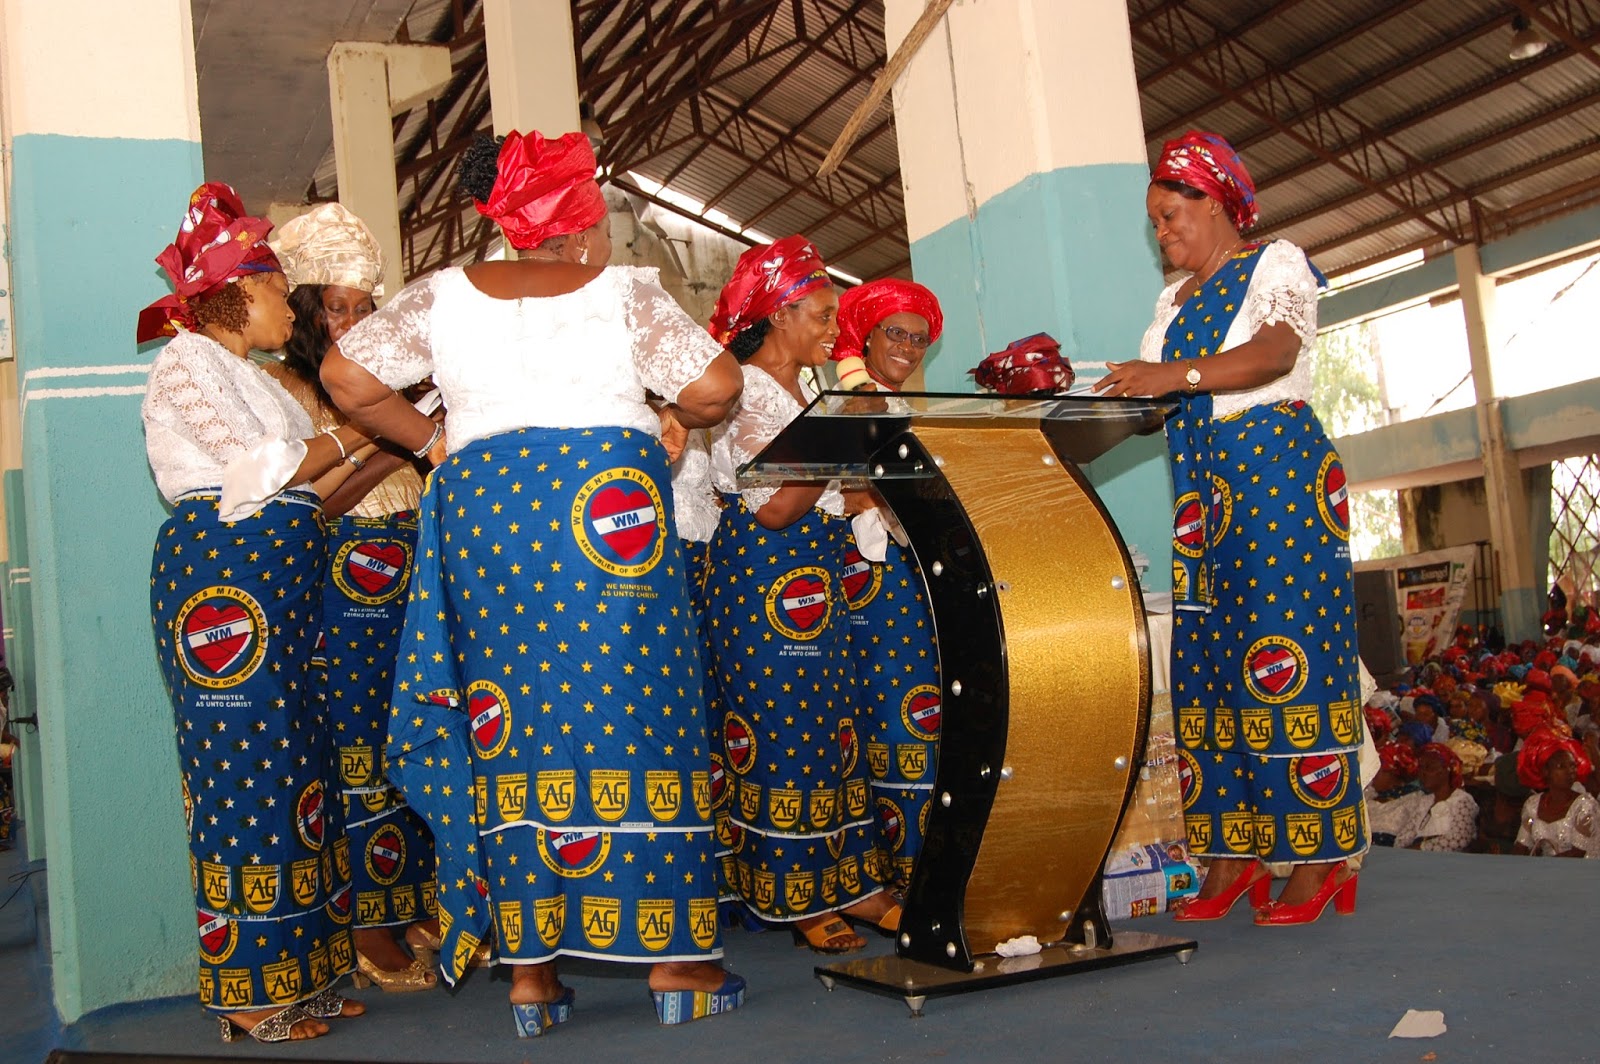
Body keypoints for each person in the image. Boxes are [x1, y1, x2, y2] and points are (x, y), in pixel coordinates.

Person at [320, 130, 745, 1034]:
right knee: (641, 707)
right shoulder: (622, 293)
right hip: (603, 512)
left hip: (488, 516)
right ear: (586, 227)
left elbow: (345, 377)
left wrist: (433, 442)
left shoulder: (441, 294)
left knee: (508, 719)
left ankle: (531, 975)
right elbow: (716, 387)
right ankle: (678, 961)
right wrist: (671, 416)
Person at [1096, 130, 1366, 925]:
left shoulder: (1274, 265)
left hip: (1277, 478)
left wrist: (1169, 376)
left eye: (1171, 215)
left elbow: (1273, 355)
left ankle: (1320, 855)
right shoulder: (1172, 305)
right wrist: (1078, 412)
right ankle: (1233, 850)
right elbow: (1156, 402)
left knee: (1288, 655)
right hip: (1199, 493)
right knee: (1209, 666)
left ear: (1214, 204)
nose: (1161, 233)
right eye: (1155, 221)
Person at [139, 183, 371, 1042]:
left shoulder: (252, 376)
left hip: (283, 576)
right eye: (279, 289)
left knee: (301, 767)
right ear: (238, 290)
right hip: (225, 583)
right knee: (243, 769)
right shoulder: (187, 361)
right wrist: (363, 430)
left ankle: (302, 973)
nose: (290, 307)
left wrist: (386, 431)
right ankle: (247, 989)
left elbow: (314, 479)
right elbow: (260, 469)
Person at [702, 236, 901, 954]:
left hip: (819, 575)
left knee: (834, 727)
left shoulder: (809, 390)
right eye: (820, 315)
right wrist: (841, 431)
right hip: (762, 578)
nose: (833, 330)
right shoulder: (744, 391)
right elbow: (778, 508)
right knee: (781, 732)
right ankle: (796, 894)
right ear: (779, 315)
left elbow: (835, 493)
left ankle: (858, 884)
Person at [267, 203, 442, 991]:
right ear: (306, 311)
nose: (353, 322)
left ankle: (414, 900)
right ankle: (366, 919)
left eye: (365, 307)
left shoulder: (387, 385)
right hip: (344, 587)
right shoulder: (287, 387)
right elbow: (313, 504)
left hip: (410, 570)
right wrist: (400, 441)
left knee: (417, 733)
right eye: (337, 308)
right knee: (358, 748)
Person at [829, 278, 945, 885]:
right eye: (895, 332)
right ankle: (897, 871)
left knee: (913, 716)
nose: (907, 346)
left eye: (919, 338)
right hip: (865, 580)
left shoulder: (898, 406)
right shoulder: (849, 401)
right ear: (866, 336)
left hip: (911, 576)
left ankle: (913, 864)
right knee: (884, 717)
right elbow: (844, 494)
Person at [1367, 744, 1477, 852]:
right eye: (1421, 767)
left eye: (1430, 767)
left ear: (1447, 770)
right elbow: (1405, 836)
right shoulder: (1425, 801)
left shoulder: (1462, 800)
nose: (1423, 773)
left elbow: (1459, 839)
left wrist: (1420, 849)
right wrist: (1400, 854)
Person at [1513, 727, 1599, 857]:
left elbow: (1578, 854)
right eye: (1561, 766)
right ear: (1546, 771)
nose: (1570, 771)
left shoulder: (1584, 806)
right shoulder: (1532, 805)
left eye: (1573, 765)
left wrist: (1541, 865)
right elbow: (1521, 845)